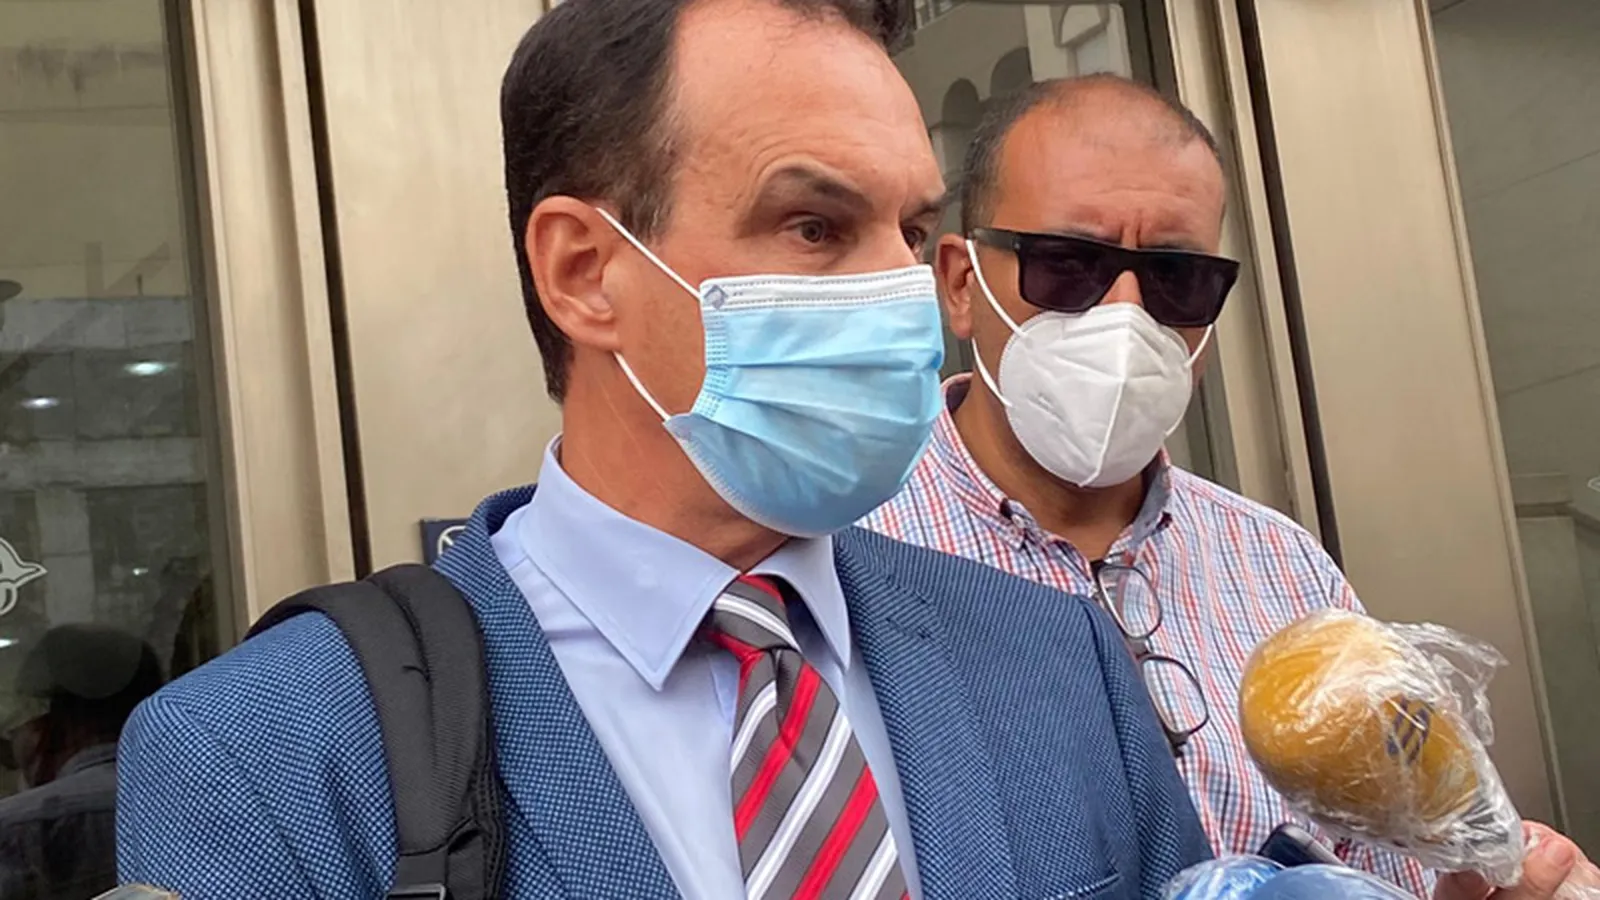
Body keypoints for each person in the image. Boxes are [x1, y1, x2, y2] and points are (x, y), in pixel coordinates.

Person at [114, 3, 1212, 898]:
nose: (904, 295)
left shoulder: (1054, 660)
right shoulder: (261, 755)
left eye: (911, 233)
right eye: (816, 227)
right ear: (583, 272)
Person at [860, 74, 1596, 900]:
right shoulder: (845, 553)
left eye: (1176, 277)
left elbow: (1398, 866)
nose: (1125, 315)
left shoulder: (1282, 568)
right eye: (1069, 265)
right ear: (961, 284)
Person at [0, 625, 163, 899]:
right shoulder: (204, 799)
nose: (14, 738)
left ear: (54, 720)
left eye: (21, 719)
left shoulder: (16, 829)